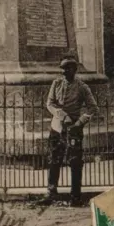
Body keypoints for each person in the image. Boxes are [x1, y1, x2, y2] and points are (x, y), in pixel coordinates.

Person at [46, 51, 98, 206]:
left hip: (73, 130)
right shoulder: (56, 83)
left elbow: (93, 109)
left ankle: (75, 195)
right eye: (62, 68)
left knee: (75, 162)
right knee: (54, 159)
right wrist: (60, 114)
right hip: (57, 127)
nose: (64, 71)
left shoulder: (82, 87)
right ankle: (51, 192)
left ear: (74, 70)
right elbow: (50, 103)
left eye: (67, 68)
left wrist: (79, 123)